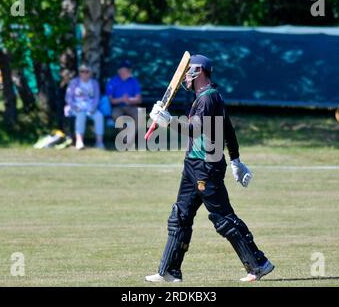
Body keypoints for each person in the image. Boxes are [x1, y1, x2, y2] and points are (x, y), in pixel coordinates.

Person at [145, 55, 274, 283]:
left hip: (207, 166)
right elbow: (228, 129)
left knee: (223, 218)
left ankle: (259, 264)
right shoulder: (206, 97)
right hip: (193, 165)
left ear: (199, 71)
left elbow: (195, 129)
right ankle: (169, 271)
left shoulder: (208, 98)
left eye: (188, 71)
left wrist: (168, 121)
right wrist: (235, 159)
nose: (185, 76)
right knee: (180, 216)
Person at [65, 64, 105, 150]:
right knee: (81, 115)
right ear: (79, 73)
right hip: (76, 108)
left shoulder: (94, 83)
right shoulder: (74, 82)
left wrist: (93, 108)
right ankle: (79, 141)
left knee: (99, 116)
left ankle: (99, 142)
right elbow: (68, 98)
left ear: (90, 73)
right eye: (82, 71)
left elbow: (97, 97)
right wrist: (75, 107)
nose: (84, 73)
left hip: (91, 107)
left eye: (87, 72)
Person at [106, 60, 142, 125]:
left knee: (140, 116)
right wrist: (122, 99)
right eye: (123, 70)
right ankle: (126, 135)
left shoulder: (134, 81)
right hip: (117, 107)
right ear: (119, 71)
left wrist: (129, 100)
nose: (125, 72)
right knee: (116, 115)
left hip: (131, 106)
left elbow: (139, 100)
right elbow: (110, 100)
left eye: (127, 70)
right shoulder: (112, 81)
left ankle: (131, 134)